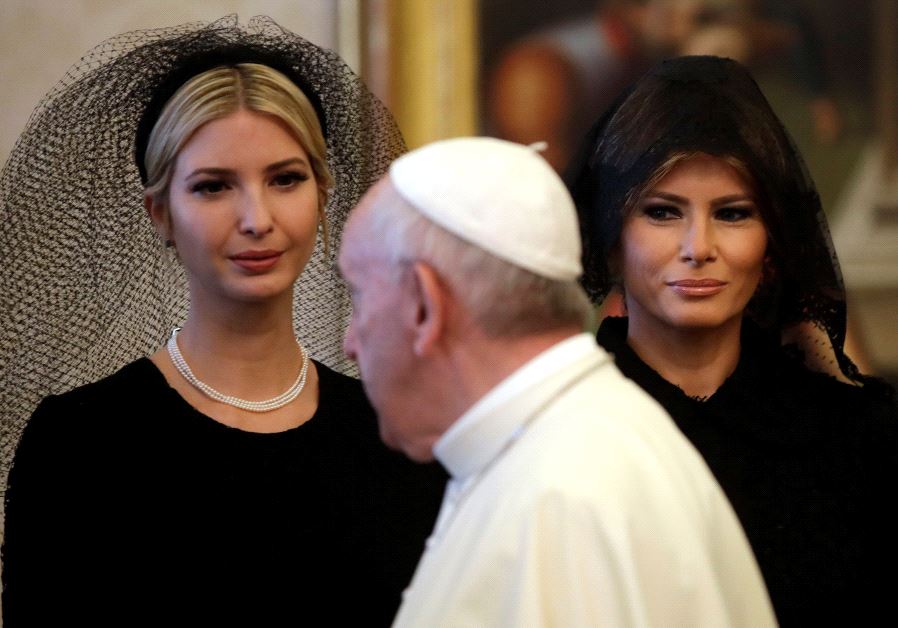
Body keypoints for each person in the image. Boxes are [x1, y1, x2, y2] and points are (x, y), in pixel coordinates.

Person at [0, 17, 443, 626]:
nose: (257, 218)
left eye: (285, 179)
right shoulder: (81, 444)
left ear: (322, 192)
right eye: (213, 187)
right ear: (160, 213)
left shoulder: (398, 436)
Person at [339, 136, 776, 626]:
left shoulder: (563, 493)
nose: (350, 342)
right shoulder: (571, 444)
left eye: (358, 296)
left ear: (424, 305)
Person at [566, 55, 898, 625]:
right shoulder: (561, 426)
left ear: (772, 245)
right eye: (663, 212)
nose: (699, 245)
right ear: (612, 239)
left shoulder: (859, 437)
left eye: (733, 213)